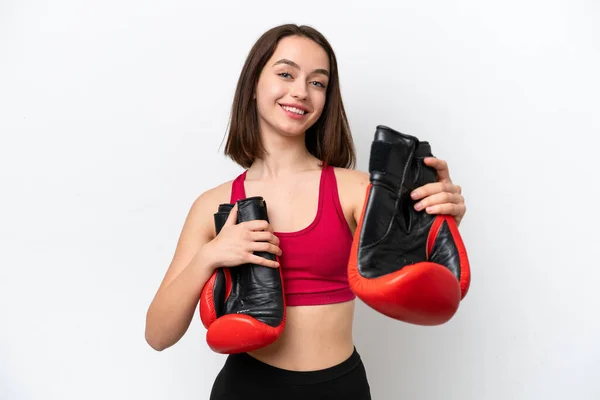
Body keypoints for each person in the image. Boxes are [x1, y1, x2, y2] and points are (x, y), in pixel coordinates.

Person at [144, 23, 467, 400]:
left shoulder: (353, 189)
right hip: (246, 388)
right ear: (252, 86)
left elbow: (421, 277)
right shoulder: (213, 206)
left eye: (318, 83)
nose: (301, 91)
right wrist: (211, 256)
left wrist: (436, 219)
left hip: (339, 388)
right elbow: (157, 335)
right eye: (285, 74)